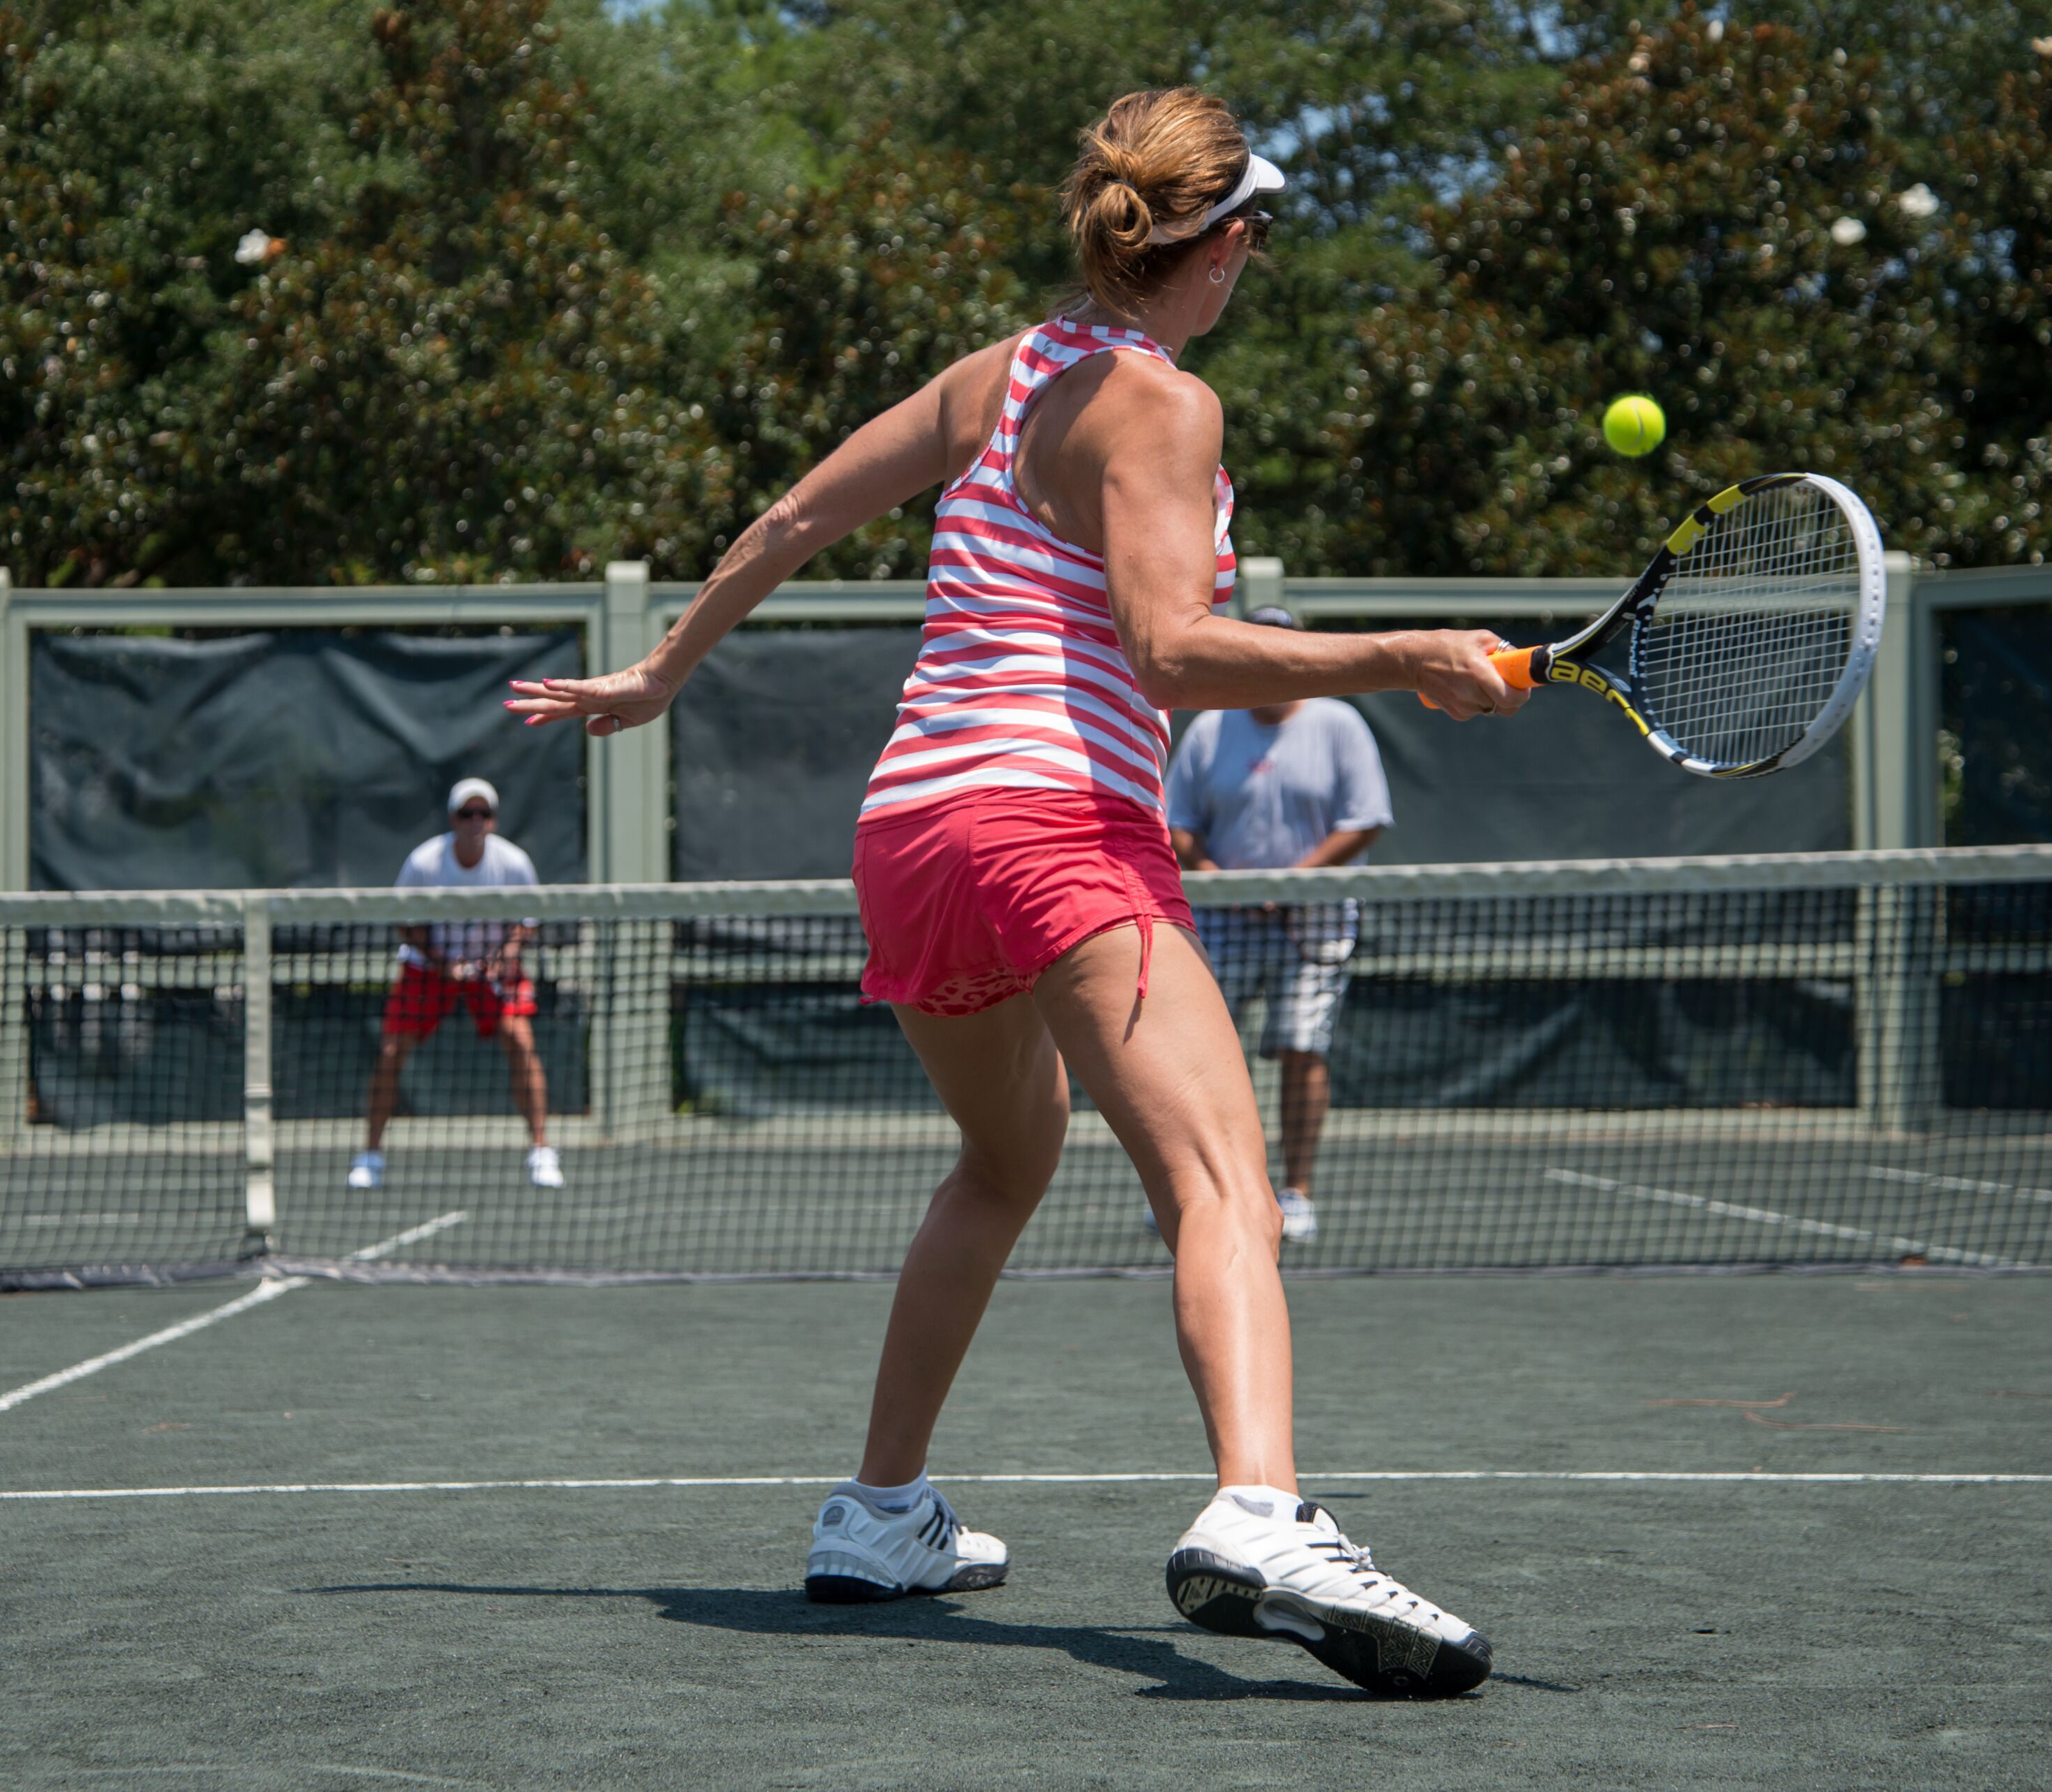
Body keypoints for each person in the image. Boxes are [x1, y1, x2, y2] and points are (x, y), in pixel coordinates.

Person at [509, 89, 1524, 1697]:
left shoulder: (1004, 373)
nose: (1256, 257)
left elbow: (791, 516)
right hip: (1057, 824)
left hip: (910, 836)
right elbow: (1170, 655)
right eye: (1256, 234)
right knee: (1219, 1180)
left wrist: (656, 674)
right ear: (1226, 242)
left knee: (1004, 1160)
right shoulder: (1160, 406)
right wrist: (1406, 656)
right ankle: (1260, 1509)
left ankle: (879, 1511)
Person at [1165, 611, 1392, 1245]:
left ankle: (1296, 1192)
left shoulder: (1339, 725)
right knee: (1200, 1056)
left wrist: (1293, 882)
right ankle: (1203, 1189)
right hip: (1223, 917)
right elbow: (1178, 821)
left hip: (1316, 918)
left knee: (1302, 1047)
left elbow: (1365, 819)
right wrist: (1222, 879)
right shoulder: (1210, 730)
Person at [350, 777, 563, 1194]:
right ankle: (370, 1156)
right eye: (468, 814)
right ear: (454, 819)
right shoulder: (425, 862)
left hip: (493, 968)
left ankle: (542, 1151)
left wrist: (502, 959)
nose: (476, 822)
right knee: (392, 1052)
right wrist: (442, 963)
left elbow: (528, 921)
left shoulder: (513, 863)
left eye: (484, 814)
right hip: (428, 968)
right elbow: (404, 921)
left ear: (494, 820)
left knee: (521, 1042)